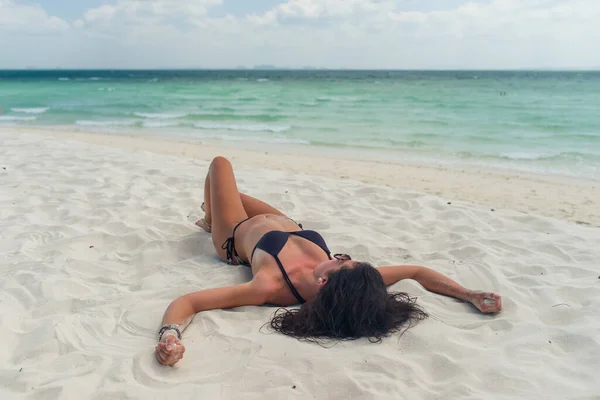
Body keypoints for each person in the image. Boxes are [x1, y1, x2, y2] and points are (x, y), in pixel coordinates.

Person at [155, 156, 502, 366]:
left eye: (340, 261)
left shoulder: (269, 286)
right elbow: (417, 271)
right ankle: (209, 212)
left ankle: (212, 221)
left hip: (235, 234)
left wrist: (170, 336)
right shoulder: (352, 282)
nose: (342, 256)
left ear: (325, 282)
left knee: (220, 165)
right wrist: (468, 294)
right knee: (231, 195)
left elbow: (189, 302)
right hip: (282, 220)